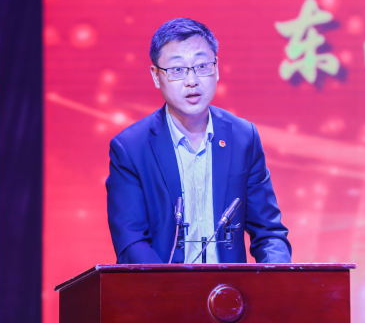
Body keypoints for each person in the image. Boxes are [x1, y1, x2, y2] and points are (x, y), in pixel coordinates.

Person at [106, 18, 291, 264]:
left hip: (229, 287)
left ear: (217, 68)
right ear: (156, 76)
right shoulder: (131, 148)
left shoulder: (243, 137)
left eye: (202, 66)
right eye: (177, 70)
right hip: (160, 287)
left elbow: (269, 233)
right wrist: (169, 285)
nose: (191, 81)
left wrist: (278, 277)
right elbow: (131, 242)